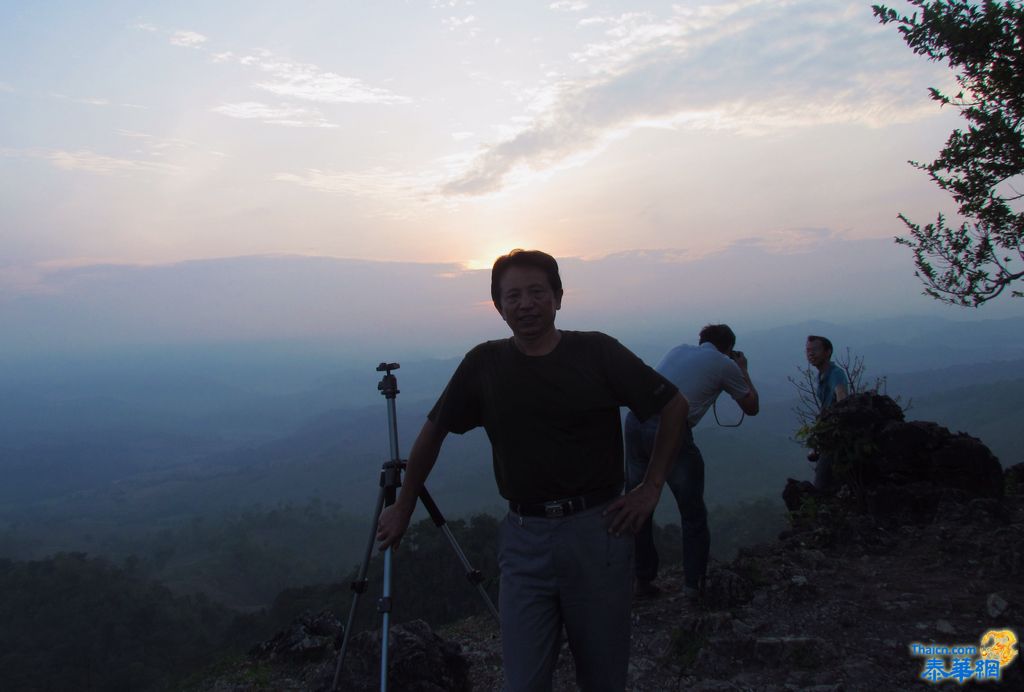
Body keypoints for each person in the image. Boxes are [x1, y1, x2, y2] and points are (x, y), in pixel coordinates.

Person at [376, 249, 689, 692]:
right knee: (522, 681)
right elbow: (434, 431)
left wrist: (651, 486)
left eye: (537, 292)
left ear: (558, 298)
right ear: (499, 307)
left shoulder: (596, 351)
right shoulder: (484, 364)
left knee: (602, 678)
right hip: (524, 539)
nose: (525, 304)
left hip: (598, 531)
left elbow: (673, 404)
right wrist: (404, 504)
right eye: (513, 295)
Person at [624, 324, 759, 602]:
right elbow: (751, 406)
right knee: (692, 513)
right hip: (669, 426)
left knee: (638, 504)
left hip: (635, 422)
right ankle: (693, 586)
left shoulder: (678, 350)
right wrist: (742, 368)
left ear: (702, 341)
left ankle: (642, 581)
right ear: (729, 348)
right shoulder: (725, 363)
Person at [805, 334, 849, 490]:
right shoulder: (821, 375)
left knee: (822, 486)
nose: (810, 354)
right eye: (808, 350)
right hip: (826, 435)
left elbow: (842, 397)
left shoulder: (835, 373)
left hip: (834, 437)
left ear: (828, 352)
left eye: (815, 350)